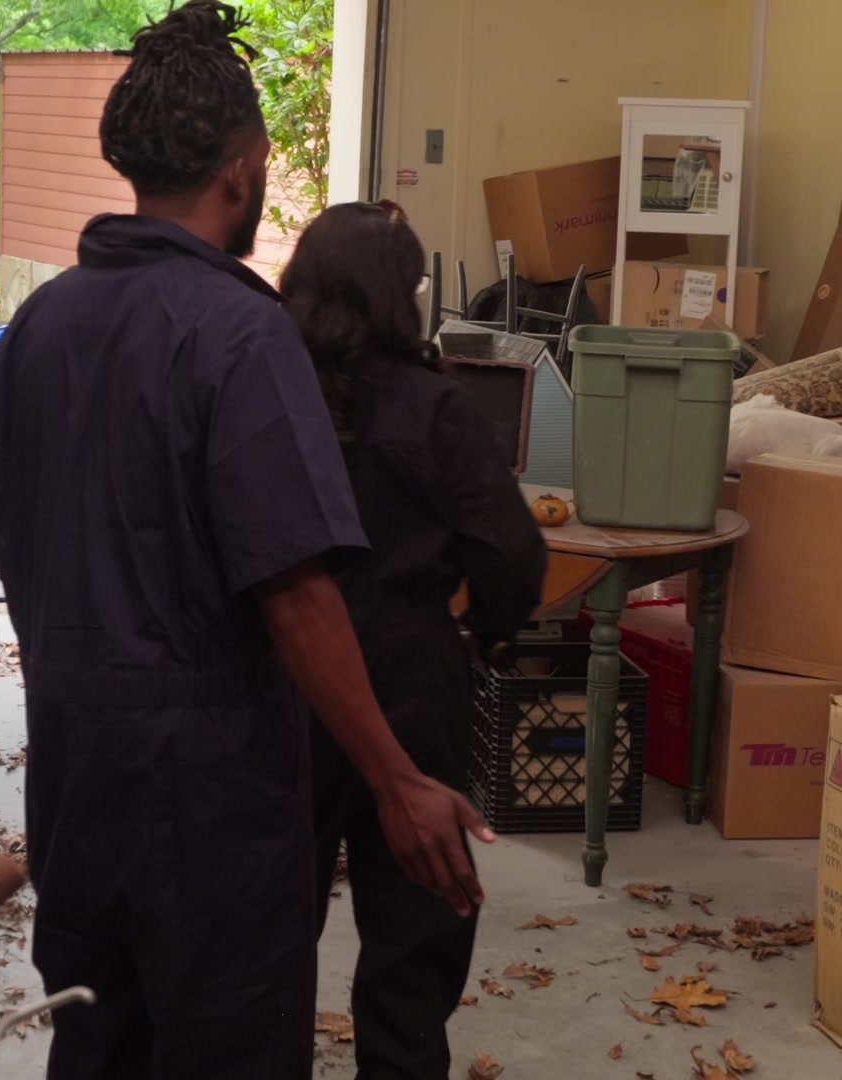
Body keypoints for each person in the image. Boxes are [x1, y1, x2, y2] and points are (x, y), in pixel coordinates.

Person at [0, 5, 491, 1077]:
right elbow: (296, 590)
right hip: (210, 801)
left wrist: (84, 680)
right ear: (241, 170)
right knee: (225, 1042)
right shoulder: (239, 332)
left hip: (77, 775)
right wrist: (393, 777)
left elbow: (8, 547)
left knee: (97, 1038)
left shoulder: (44, 324)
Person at [280, 201, 547, 1079]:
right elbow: (510, 551)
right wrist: (484, 635)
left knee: (270, 931)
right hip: (409, 678)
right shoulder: (438, 407)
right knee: (415, 927)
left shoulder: (268, 396)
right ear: (404, 294)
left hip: (285, 679)